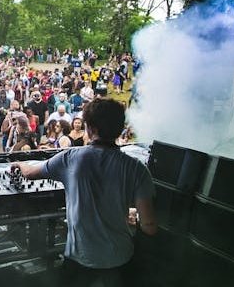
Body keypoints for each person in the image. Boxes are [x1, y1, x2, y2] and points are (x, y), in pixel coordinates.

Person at [11, 98, 157, 287]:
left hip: (80, 259)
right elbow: (150, 226)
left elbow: (30, 173)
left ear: (90, 128)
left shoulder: (71, 158)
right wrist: (131, 217)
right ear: (120, 128)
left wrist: (19, 163)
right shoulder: (137, 169)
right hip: (119, 260)